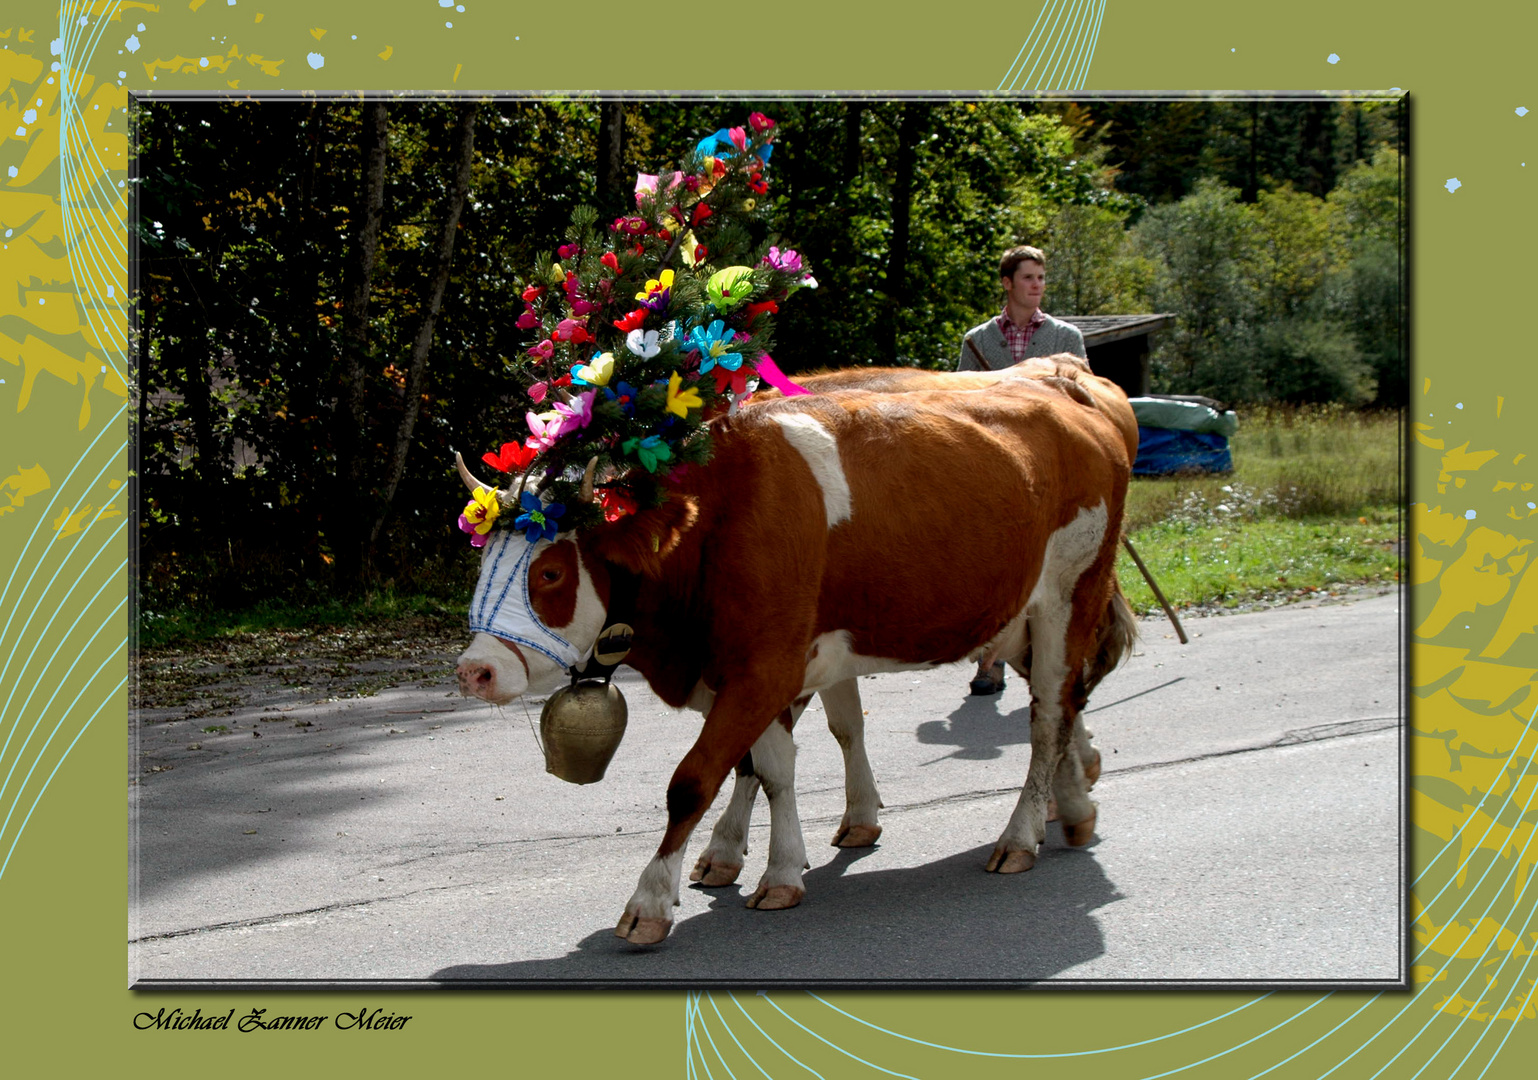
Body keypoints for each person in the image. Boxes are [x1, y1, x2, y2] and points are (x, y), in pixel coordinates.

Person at [957, 244, 1088, 696]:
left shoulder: (1065, 338)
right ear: (1008, 283)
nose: (1037, 286)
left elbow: (1082, 404)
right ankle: (989, 663)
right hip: (996, 467)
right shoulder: (978, 341)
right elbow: (960, 407)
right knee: (993, 565)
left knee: (1050, 565)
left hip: (1050, 467)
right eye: (1028, 277)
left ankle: (1055, 656)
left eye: (1041, 278)